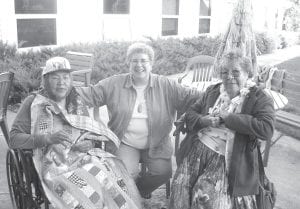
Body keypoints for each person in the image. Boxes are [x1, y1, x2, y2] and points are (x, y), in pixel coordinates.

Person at [9, 57, 142, 209]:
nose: (61, 82)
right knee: (86, 190)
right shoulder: (34, 103)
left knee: (110, 173)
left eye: (66, 77)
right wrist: (48, 138)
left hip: (80, 158)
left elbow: (88, 133)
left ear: (71, 80)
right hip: (53, 166)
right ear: (45, 80)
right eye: (55, 78)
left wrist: (89, 143)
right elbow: (14, 139)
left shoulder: (76, 101)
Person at [76, 42, 198, 198]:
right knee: (125, 173)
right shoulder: (114, 83)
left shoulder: (166, 85)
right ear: (128, 63)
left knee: (163, 172)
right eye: (134, 61)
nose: (139, 65)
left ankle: (137, 192)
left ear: (151, 64)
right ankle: (130, 193)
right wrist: (59, 91)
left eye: (143, 61)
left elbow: (192, 96)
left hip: (157, 142)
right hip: (125, 141)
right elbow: (89, 94)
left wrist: (218, 92)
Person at [169, 50, 275, 209]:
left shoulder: (259, 97)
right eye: (224, 72)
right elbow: (191, 112)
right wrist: (203, 120)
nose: (229, 76)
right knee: (179, 186)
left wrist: (228, 117)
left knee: (205, 197)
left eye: (236, 72)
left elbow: (266, 129)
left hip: (228, 156)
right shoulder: (213, 90)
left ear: (247, 74)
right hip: (198, 149)